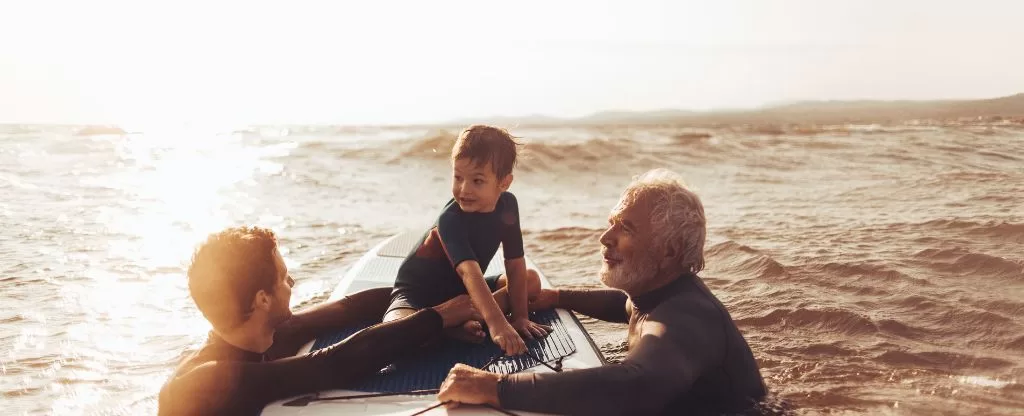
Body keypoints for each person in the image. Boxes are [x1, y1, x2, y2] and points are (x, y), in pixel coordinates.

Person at [437, 168, 768, 415]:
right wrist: (558, 297)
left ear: (669, 251)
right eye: (612, 222)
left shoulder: (683, 319)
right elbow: (626, 307)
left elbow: (636, 385)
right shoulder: (663, 296)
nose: (605, 237)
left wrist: (495, 387)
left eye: (626, 228)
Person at [157, 226, 481, 416]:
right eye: (284, 278)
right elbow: (333, 364)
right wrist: (438, 317)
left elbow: (348, 309)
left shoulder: (265, 337)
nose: (292, 283)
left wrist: (467, 292)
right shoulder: (202, 383)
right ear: (262, 299)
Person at [383, 125, 550, 356]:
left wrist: (520, 317)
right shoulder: (450, 219)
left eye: (477, 181)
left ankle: (457, 323)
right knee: (394, 334)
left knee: (530, 280)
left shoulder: (508, 205)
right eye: (458, 177)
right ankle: (450, 328)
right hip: (418, 297)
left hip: (464, 296)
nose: (464, 189)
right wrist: (498, 324)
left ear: (504, 183)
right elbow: (469, 272)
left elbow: (514, 263)